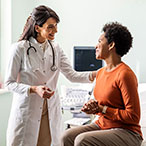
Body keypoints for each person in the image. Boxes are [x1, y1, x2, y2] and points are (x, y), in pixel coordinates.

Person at [4, 5, 96, 146]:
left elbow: (72, 75)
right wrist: (34, 89)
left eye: (56, 26)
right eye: (51, 27)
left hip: (50, 110)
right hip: (28, 110)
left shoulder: (56, 48)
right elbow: (9, 83)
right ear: (37, 28)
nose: (56, 30)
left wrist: (97, 74)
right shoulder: (19, 49)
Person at [61, 22, 143, 146]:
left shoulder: (125, 74)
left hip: (127, 131)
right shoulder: (100, 73)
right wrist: (93, 107)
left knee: (82, 140)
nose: (96, 46)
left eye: (100, 42)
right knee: (66, 136)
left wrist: (102, 109)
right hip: (103, 125)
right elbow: (103, 104)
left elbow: (133, 116)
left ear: (111, 45)